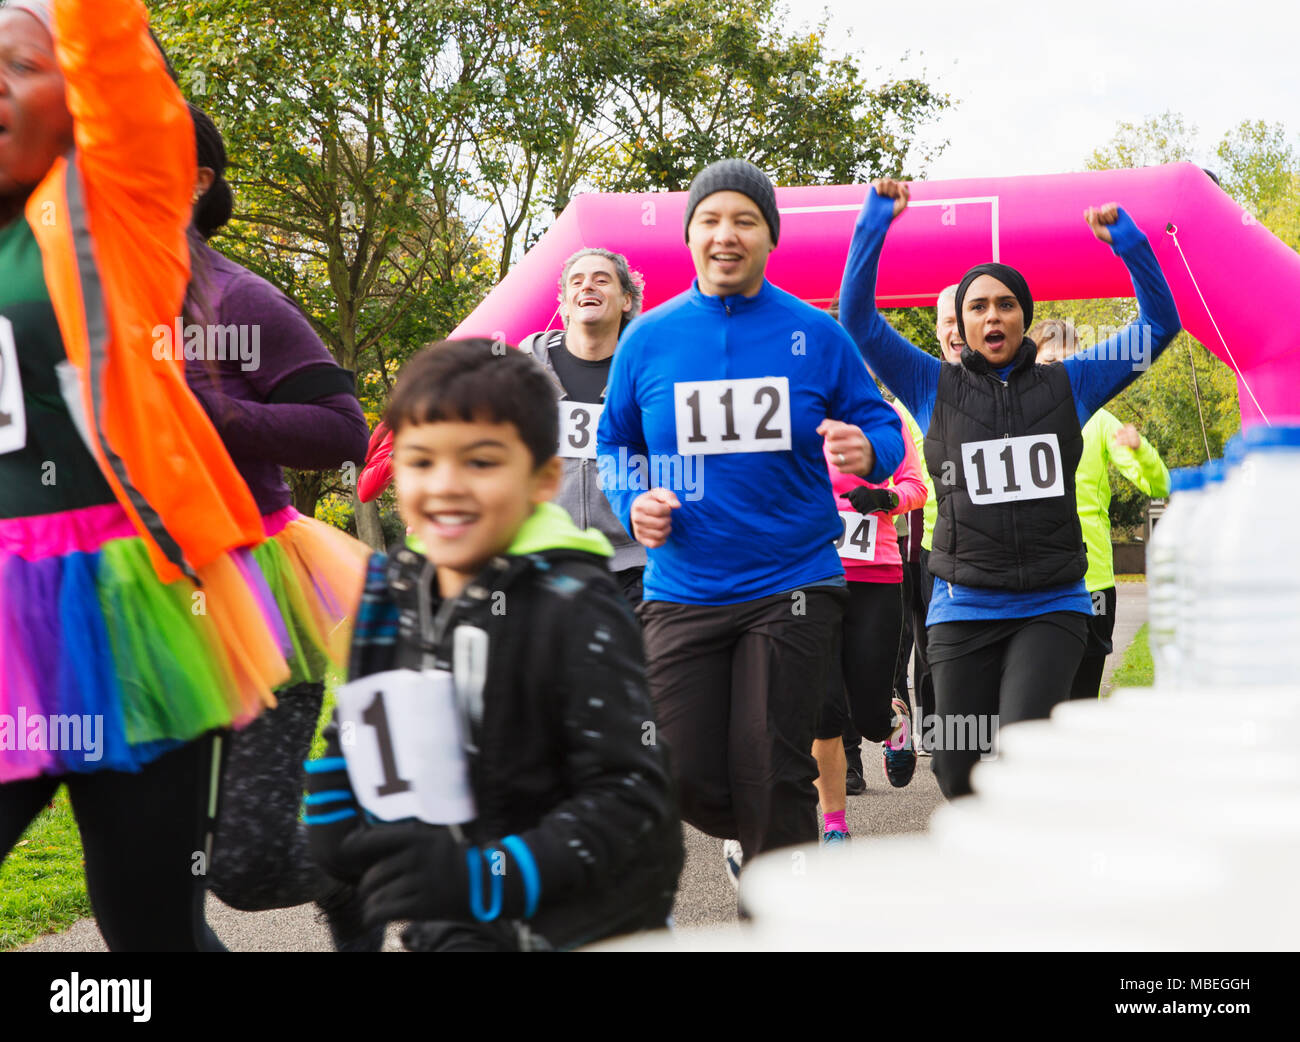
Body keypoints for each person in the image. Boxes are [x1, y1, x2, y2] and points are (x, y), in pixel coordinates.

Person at [0, 0, 292, 950]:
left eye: (17, 62)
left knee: (148, 921)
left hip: (136, 605)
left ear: (76, 97)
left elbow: (110, 43)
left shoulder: (112, 203)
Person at [304, 339, 682, 951]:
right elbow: (364, 716)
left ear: (543, 478)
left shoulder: (575, 603)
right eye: (421, 462)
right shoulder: (393, 588)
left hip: (589, 919)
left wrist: (485, 877)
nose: (446, 487)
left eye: (480, 462)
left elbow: (631, 800)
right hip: (458, 915)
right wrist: (332, 806)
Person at [597, 159, 905, 881]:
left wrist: (870, 450)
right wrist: (631, 498)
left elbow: (878, 425)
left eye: (744, 221)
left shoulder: (816, 334)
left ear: (770, 238)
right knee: (673, 765)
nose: (725, 235)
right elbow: (614, 442)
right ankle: (776, 836)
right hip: (683, 585)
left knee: (770, 766)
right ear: (690, 236)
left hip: (792, 581)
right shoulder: (648, 339)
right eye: (710, 220)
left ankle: (781, 904)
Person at [841, 178, 1180, 798]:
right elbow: (858, 322)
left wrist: (1128, 244)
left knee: (1025, 749)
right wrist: (873, 226)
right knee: (955, 769)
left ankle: (1032, 874)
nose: (991, 315)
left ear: (1025, 317)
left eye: (1004, 304)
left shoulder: (1069, 384)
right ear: (961, 322)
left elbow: (1160, 325)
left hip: (1051, 605)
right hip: (963, 606)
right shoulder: (930, 385)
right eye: (977, 306)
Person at [178, 106, 377, 948]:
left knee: (247, 867)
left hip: (257, 592)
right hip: (127, 607)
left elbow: (343, 431)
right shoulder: (74, 302)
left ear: (197, 182)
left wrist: (207, 412)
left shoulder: (237, 298)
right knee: (158, 871)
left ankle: (361, 871)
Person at [1032, 318, 1170, 700]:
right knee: (1037, 693)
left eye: (1068, 361)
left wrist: (1141, 451)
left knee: (1082, 693)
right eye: (1049, 362)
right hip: (1034, 581)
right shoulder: (1016, 420)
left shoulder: (1100, 420)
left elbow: (1157, 486)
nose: (1058, 370)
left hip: (1091, 581)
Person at [814, 397, 928, 841]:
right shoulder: (793, 410)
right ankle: (835, 826)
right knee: (822, 709)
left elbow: (917, 486)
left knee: (867, 717)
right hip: (812, 574)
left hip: (875, 575)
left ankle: (893, 722)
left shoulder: (884, 415)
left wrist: (885, 497)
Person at [520, 248, 647, 605]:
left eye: (601, 279)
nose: (587, 286)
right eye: (577, 281)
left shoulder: (651, 372)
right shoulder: (520, 370)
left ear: (626, 300)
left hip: (635, 569)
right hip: (541, 566)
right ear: (564, 303)